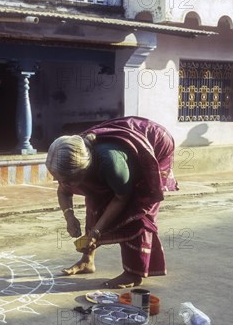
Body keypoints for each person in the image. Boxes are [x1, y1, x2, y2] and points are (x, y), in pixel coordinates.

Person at [45, 116, 179, 289]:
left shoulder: (111, 163)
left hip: (155, 143)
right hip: (108, 160)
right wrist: (69, 217)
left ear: (81, 171)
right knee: (95, 203)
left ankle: (134, 273)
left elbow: (121, 198)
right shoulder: (72, 154)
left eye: (65, 179)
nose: (61, 182)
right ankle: (87, 261)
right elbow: (63, 190)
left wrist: (97, 230)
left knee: (136, 213)